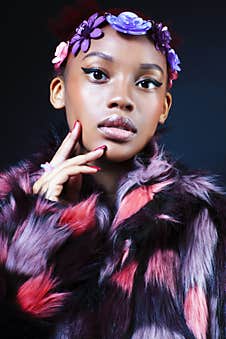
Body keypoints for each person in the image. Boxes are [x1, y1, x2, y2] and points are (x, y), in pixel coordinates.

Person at [0, 2, 225, 338]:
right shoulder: (7, 209)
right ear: (59, 92)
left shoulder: (206, 220)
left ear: (163, 107)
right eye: (98, 74)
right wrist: (40, 226)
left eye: (147, 82)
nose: (122, 98)